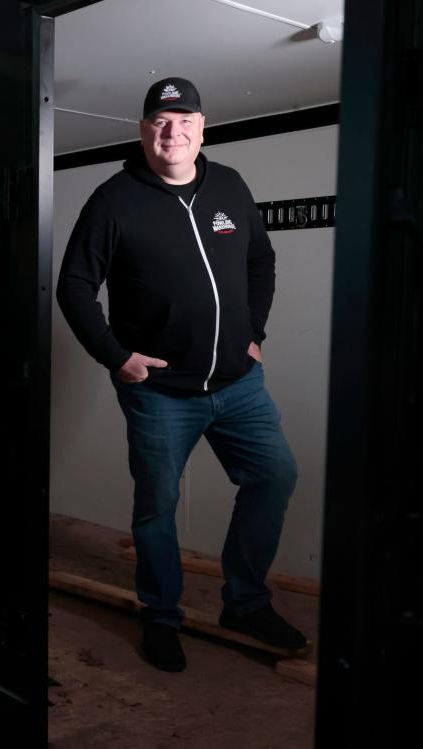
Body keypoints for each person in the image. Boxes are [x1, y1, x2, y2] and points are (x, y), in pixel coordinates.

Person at [56, 77, 307, 672]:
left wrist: (256, 334)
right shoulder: (113, 200)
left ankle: (244, 603)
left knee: (274, 477)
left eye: (185, 121)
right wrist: (117, 356)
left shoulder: (230, 185)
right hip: (162, 395)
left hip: (239, 384)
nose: (173, 132)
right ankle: (161, 616)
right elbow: (74, 285)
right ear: (144, 130)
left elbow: (260, 260)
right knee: (158, 507)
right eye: (161, 122)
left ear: (201, 128)